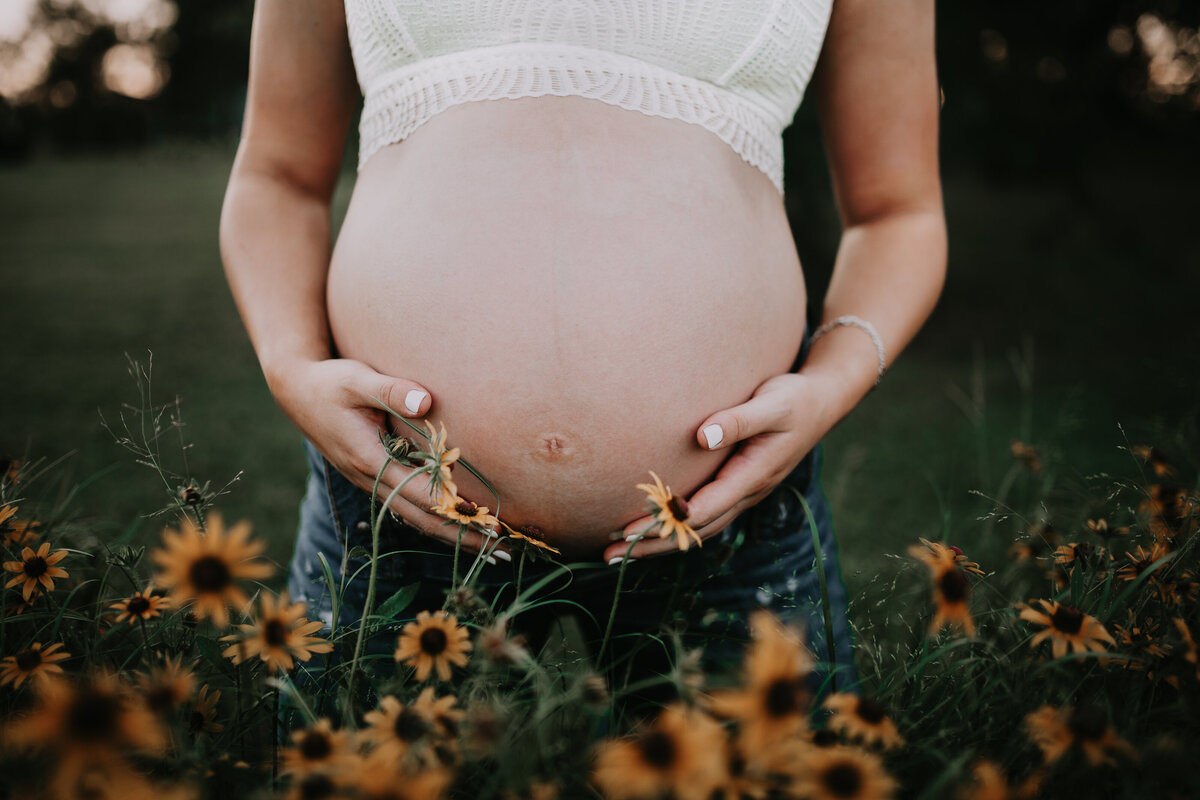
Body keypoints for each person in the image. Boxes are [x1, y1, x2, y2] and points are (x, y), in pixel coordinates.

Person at [219, 0, 946, 700]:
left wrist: (827, 386)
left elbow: (898, 214)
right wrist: (292, 367)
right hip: (396, 496)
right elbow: (277, 176)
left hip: (726, 513)